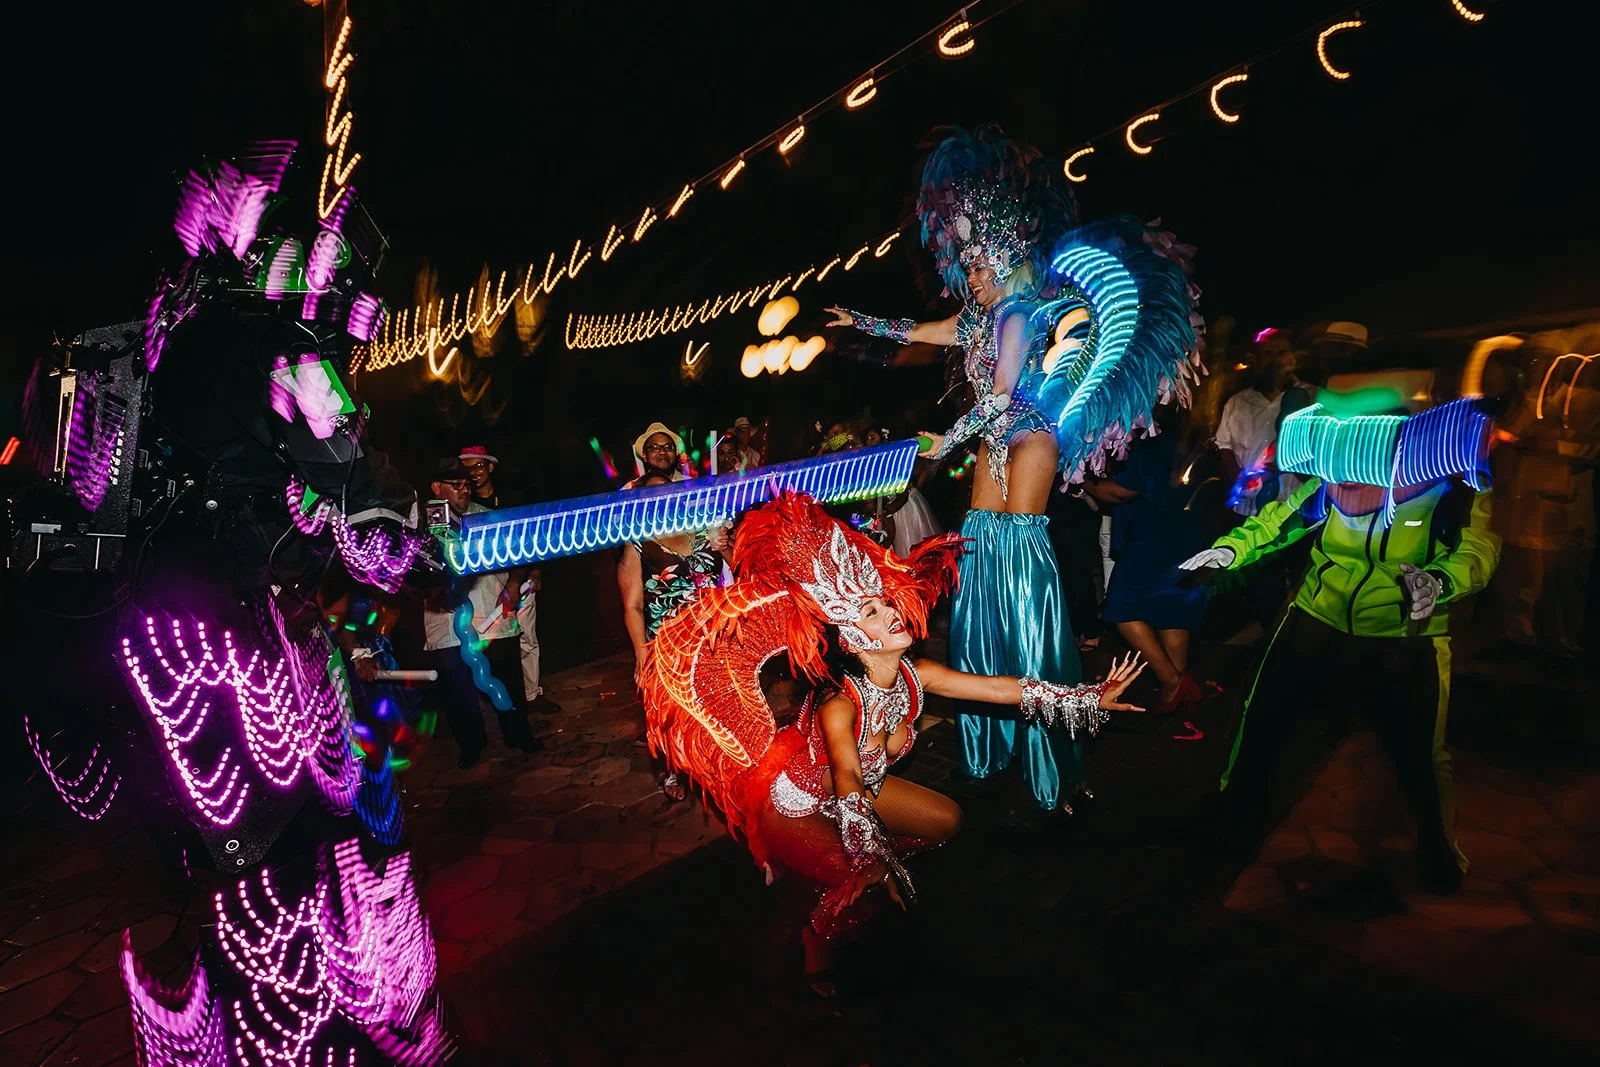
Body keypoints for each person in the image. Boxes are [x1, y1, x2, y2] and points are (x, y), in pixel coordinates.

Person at [827, 125, 1198, 813]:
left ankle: (1054, 750)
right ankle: (991, 740)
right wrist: (859, 318)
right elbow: (919, 330)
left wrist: (946, 443)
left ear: (1003, 260)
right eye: (963, 267)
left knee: (1022, 569)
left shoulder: (1020, 315)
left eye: (975, 266)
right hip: (992, 442)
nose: (966, 277)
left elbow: (1000, 397)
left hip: (1028, 437)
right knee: (979, 554)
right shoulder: (975, 318)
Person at [639, 493, 1145, 994]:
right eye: (872, 612)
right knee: (868, 883)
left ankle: (853, 872)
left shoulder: (915, 673)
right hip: (801, 804)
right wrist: (870, 856)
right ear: (852, 639)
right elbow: (848, 778)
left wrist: (1088, 698)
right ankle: (818, 935)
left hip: (860, 794)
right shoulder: (841, 702)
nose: (891, 613)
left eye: (884, 603)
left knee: (947, 821)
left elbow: (998, 688)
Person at [1181, 396, 1502, 894]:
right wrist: (1230, 549)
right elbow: (1276, 522)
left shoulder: (1454, 493)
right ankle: (1234, 819)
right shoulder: (1331, 482)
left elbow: (1479, 550)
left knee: (1422, 756)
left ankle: (1440, 855)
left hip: (1403, 638)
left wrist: (1438, 582)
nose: (1351, 466)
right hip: (1315, 618)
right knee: (1260, 718)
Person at [1084, 424, 1219, 711]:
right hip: (1188, 535)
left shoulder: (1153, 442)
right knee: (1172, 609)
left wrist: (1078, 479)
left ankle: (1171, 680)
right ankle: (1177, 694)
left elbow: (1121, 492)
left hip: (1155, 539)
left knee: (1120, 605)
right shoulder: (1185, 437)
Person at [422, 458, 543, 767]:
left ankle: (519, 735)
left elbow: (521, 554)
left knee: (509, 681)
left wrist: (515, 583)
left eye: (467, 485)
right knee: (458, 690)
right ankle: (472, 746)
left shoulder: (489, 518)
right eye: (456, 486)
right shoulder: (420, 526)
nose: (464, 491)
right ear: (437, 488)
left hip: (494, 616)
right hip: (446, 624)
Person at [459, 444, 561, 716]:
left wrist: (535, 571)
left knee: (527, 637)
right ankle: (502, 700)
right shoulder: (462, 505)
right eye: (467, 469)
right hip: (480, 587)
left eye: (479, 466)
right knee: (489, 644)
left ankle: (531, 694)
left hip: (520, 582)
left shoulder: (512, 498)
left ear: (490, 467)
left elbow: (531, 536)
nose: (474, 473)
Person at [628, 422, 685, 486]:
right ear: (644, 455)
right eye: (654, 447)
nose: (662, 451)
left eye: (668, 447)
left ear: (675, 452)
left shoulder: (691, 484)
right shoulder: (631, 490)